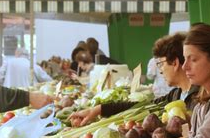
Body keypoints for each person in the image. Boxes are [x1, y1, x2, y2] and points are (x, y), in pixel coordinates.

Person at [70, 33, 199, 126]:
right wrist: (96, 110)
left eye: (160, 64)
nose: (160, 70)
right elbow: (138, 106)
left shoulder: (198, 97)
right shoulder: (175, 95)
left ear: (175, 63)